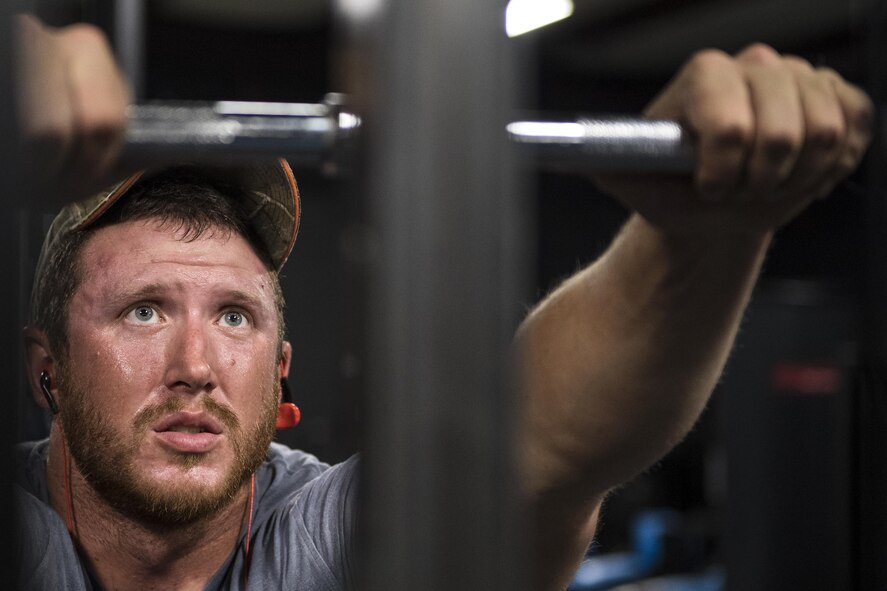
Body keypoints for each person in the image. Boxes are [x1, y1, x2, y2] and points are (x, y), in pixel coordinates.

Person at [12, 13, 874, 591]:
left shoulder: (323, 535)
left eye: (233, 316)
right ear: (46, 366)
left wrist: (701, 235)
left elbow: (539, 446)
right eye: (144, 312)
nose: (195, 367)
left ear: (279, 375)